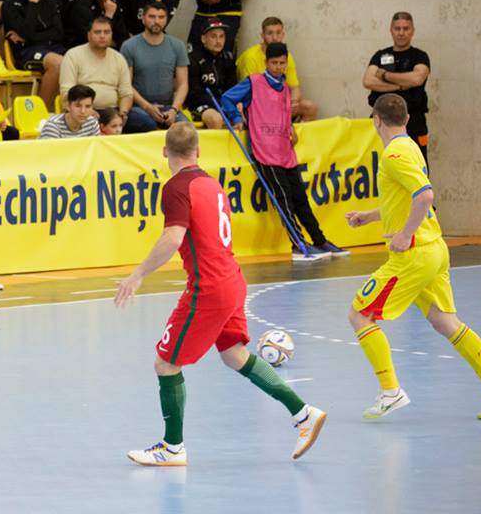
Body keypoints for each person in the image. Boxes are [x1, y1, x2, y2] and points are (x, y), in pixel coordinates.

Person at [115, 121, 327, 465]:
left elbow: (173, 237)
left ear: (165, 152)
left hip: (208, 288)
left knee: (166, 363)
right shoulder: (212, 184)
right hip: (232, 280)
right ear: (198, 151)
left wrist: (137, 275)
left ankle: (172, 448)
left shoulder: (175, 187)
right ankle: (303, 413)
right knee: (234, 355)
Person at [345, 94, 481, 421]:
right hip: (435, 249)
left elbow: (425, 196)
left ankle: (391, 391)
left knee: (360, 315)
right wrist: (371, 216)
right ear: (405, 120)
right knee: (444, 322)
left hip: (413, 255)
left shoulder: (392, 153)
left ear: (376, 120)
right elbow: (406, 198)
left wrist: (403, 236)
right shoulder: (411, 146)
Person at [221, 42, 346, 261]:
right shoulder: (254, 82)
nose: (278, 67)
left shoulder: (285, 87)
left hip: (284, 151)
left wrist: (290, 128)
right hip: (264, 152)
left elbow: (282, 114)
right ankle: (298, 243)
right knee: (284, 199)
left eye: (282, 63)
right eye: (274, 63)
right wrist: (236, 118)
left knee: (300, 198)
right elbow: (227, 98)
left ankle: (320, 240)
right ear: (266, 63)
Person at [362, 11, 431, 164]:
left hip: (413, 122)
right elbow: (368, 80)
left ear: (413, 31)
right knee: (381, 166)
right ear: (391, 30)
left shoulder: (420, 56)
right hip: (382, 122)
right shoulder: (380, 55)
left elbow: (417, 78)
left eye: (406, 28)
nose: (401, 33)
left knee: (416, 166)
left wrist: (385, 75)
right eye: (397, 28)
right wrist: (401, 85)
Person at [2, 0, 65, 110]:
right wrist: (33, 4)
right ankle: (40, 111)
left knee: (78, 60)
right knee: (57, 63)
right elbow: (28, 31)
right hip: (26, 52)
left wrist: (29, 38)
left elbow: (58, 33)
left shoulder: (49, 2)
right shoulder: (10, 5)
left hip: (50, 47)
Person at [121, 2, 189, 134]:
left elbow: (183, 84)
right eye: (152, 16)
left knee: (186, 130)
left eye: (161, 17)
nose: (156, 21)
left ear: (167, 19)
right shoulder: (129, 46)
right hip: (138, 107)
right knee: (147, 124)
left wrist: (174, 110)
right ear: (143, 18)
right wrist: (147, 107)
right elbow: (126, 84)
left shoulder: (177, 46)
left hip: (168, 107)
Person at [236, 16, 318, 122]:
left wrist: (293, 102)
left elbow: (294, 88)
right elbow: (249, 94)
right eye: (270, 33)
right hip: (257, 105)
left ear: (283, 35)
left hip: (278, 103)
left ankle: (294, 136)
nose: (275, 38)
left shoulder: (286, 55)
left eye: (278, 33)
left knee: (310, 107)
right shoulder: (250, 57)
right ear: (262, 35)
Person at [59, 16, 133, 119]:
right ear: (88, 35)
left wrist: (123, 113)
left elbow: (126, 93)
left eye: (106, 32)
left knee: (144, 123)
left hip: (112, 111)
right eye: (97, 32)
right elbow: (67, 91)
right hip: (82, 111)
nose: (102, 36)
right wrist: (88, 111)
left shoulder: (119, 58)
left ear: (112, 35)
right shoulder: (73, 55)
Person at [183, 19, 237, 130]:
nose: (218, 41)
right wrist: (220, 104)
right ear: (203, 39)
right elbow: (195, 94)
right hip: (199, 104)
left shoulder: (228, 58)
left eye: (222, 36)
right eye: (213, 36)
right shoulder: (193, 59)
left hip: (224, 102)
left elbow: (233, 87)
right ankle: (217, 148)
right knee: (215, 119)